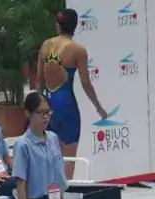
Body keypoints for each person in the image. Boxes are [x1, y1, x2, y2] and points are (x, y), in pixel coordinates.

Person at [36, 9, 107, 176]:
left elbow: (38, 79)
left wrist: (38, 106)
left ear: (58, 24)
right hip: (66, 105)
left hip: (47, 103)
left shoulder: (45, 45)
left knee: (49, 157)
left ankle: (50, 197)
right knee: (69, 160)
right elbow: (85, 83)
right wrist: (98, 107)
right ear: (75, 26)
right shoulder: (78, 50)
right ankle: (65, 197)